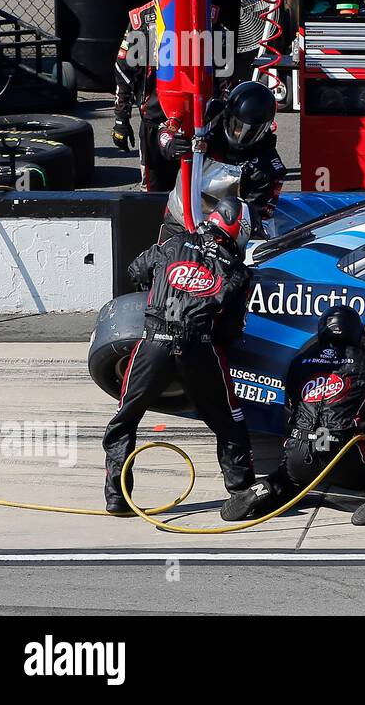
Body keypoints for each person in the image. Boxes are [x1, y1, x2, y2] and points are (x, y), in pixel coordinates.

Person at [102, 198, 264, 521]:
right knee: (229, 422)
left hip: (152, 344)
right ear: (240, 231)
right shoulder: (237, 272)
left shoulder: (173, 243)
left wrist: (161, 294)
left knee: (124, 419)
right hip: (198, 347)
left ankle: (117, 498)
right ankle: (242, 491)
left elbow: (135, 269)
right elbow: (231, 332)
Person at [262, 306, 365, 526]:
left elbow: (291, 407)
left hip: (299, 450)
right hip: (343, 452)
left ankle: (264, 488)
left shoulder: (300, 360)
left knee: (286, 477)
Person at [159, 80, 285, 240]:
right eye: (236, 126)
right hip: (178, 219)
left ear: (265, 129)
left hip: (222, 236)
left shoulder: (268, 168)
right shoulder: (206, 115)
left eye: (251, 131)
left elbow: (258, 218)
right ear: (227, 115)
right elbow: (167, 126)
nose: (240, 135)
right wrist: (170, 143)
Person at [112, 0, 178, 192]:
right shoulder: (140, 20)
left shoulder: (206, 15)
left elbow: (224, 72)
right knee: (153, 191)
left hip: (197, 122)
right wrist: (121, 119)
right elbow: (123, 70)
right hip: (154, 118)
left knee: (200, 191)